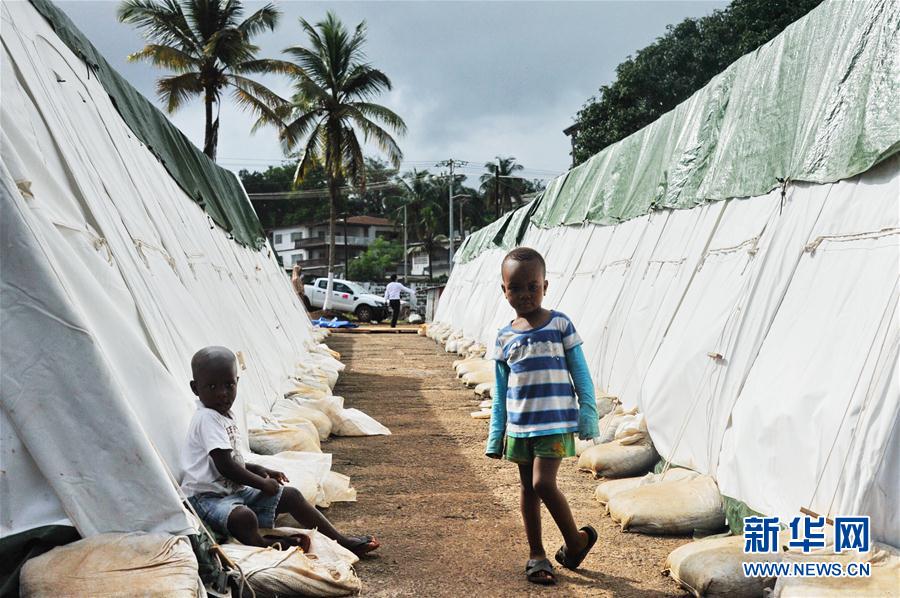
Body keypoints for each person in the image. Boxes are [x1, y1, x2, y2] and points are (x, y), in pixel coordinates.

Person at [181, 346, 380, 555]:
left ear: (237, 382)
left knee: (292, 496)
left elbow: (230, 460)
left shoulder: (223, 414)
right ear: (196, 388)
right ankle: (264, 543)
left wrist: (259, 468)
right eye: (212, 387)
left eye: (228, 385)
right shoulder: (206, 418)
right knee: (244, 517)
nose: (222, 393)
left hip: (232, 490)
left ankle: (341, 541)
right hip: (207, 498)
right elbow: (225, 466)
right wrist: (261, 483)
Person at [485, 247, 600, 585]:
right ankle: (537, 555)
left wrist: (587, 414)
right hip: (521, 427)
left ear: (545, 285)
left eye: (532, 286)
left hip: (555, 423)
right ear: (504, 290)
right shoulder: (505, 337)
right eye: (515, 288)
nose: (524, 294)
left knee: (542, 483)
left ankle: (576, 541)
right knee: (527, 490)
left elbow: (581, 373)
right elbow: (501, 390)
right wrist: (497, 435)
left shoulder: (560, 324)